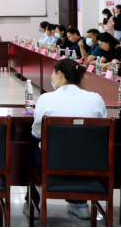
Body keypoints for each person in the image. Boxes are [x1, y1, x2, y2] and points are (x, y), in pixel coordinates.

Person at [28, 59, 106, 221]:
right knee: (79, 149)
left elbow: (37, 132)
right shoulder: (96, 99)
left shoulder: (46, 98)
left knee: (30, 148)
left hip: (53, 159)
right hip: (89, 160)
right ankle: (80, 204)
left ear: (60, 74)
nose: (51, 77)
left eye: (53, 73)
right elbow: (102, 131)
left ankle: (33, 204)